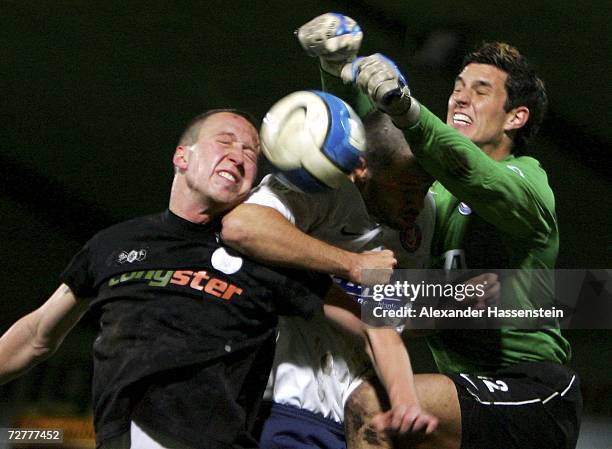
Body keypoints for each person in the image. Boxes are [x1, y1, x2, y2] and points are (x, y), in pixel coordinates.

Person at [0, 109, 424, 449]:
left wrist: (403, 398)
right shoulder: (114, 243)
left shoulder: (272, 257)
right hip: (120, 435)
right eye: (225, 141)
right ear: (182, 157)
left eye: (251, 152)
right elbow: (37, 334)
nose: (239, 155)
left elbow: (373, 324)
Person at [325, 14, 582, 449]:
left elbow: (474, 173)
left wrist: (409, 111)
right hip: (465, 392)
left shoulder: (526, 181)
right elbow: (377, 147)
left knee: (372, 407)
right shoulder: (431, 194)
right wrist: (339, 70)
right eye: (458, 87)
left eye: (480, 92)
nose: (460, 99)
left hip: (534, 392)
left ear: (516, 117)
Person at [221, 107, 444, 448]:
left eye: (425, 186)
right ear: (362, 168)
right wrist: (352, 264)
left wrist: (406, 403)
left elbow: (384, 322)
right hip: (281, 401)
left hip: (354, 418)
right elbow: (242, 227)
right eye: (406, 187)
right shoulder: (321, 185)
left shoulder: (421, 216)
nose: (417, 201)